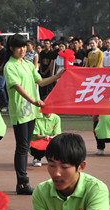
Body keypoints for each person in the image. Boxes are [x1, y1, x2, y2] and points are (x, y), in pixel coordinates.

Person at [5, 34, 65, 195]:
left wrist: (58, 76)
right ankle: (22, 182)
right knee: (22, 146)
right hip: (20, 111)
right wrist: (33, 100)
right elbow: (17, 87)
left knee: (26, 145)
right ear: (11, 48)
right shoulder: (9, 66)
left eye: (24, 46)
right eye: (19, 47)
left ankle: (23, 181)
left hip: (32, 111)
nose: (23, 49)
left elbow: (41, 81)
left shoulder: (27, 64)